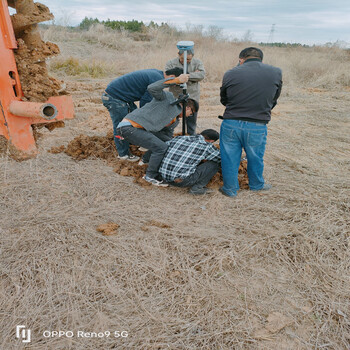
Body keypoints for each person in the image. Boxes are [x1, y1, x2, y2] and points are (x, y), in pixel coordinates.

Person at [219, 47, 282, 197]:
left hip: (231, 122)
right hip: (257, 124)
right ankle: (257, 185)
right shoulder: (275, 72)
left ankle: (230, 189)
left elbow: (224, 99)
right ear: (261, 59)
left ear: (241, 59)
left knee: (229, 157)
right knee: (255, 156)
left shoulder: (230, 73)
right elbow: (274, 98)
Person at [115, 75, 199, 187]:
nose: (189, 116)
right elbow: (152, 87)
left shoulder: (175, 121)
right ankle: (150, 176)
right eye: (191, 113)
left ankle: (145, 160)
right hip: (129, 127)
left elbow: (167, 137)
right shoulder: (167, 98)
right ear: (188, 108)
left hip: (141, 129)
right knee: (161, 148)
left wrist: (178, 143)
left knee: (167, 143)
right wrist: (177, 80)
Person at [102, 68, 181, 161]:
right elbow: (145, 102)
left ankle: (134, 142)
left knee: (133, 122)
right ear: (172, 77)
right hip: (115, 98)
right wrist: (146, 122)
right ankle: (123, 154)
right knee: (120, 125)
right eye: (175, 82)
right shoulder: (156, 79)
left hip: (122, 97)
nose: (174, 85)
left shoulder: (157, 74)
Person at [159, 129, 221, 195]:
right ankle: (197, 189)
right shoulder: (207, 146)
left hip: (162, 177)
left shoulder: (180, 138)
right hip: (181, 181)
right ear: (211, 141)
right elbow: (220, 159)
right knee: (214, 164)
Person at [165, 47, 205, 135]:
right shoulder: (171, 63)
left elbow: (201, 75)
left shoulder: (198, 62)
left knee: (191, 121)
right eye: (183, 58)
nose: (185, 61)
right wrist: (193, 75)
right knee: (171, 120)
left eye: (188, 59)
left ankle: (191, 137)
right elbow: (168, 76)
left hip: (192, 96)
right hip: (175, 96)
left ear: (192, 57)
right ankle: (168, 137)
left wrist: (184, 76)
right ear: (178, 54)